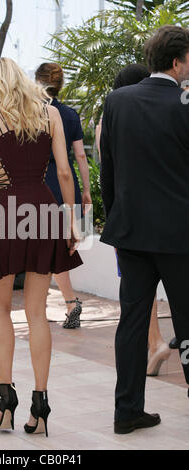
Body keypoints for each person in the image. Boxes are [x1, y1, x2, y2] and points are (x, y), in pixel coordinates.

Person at [0, 57, 82, 436]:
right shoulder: (50, 115)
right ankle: (41, 402)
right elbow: (65, 171)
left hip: (5, 212)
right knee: (37, 311)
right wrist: (72, 220)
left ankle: (6, 400)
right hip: (44, 209)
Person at [100, 25, 189, 434]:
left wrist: (118, 219)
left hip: (131, 232)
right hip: (179, 236)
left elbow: (109, 171)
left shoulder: (117, 101)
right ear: (177, 61)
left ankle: (126, 411)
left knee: (132, 323)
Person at [96, 64, 171, 376]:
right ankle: (154, 343)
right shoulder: (159, 110)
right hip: (165, 215)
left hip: (127, 218)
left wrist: (111, 217)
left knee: (137, 291)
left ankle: (154, 343)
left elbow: (106, 174)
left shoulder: (111, 117)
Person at [35, 62, 91, 329]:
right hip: (66, 187)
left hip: (41, 185)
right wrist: (87, 191)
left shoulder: (32, 114)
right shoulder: (69, 113)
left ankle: (52, 305)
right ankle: (68, 304)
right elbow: (80, 155)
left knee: (43, 248)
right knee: (58, 248)